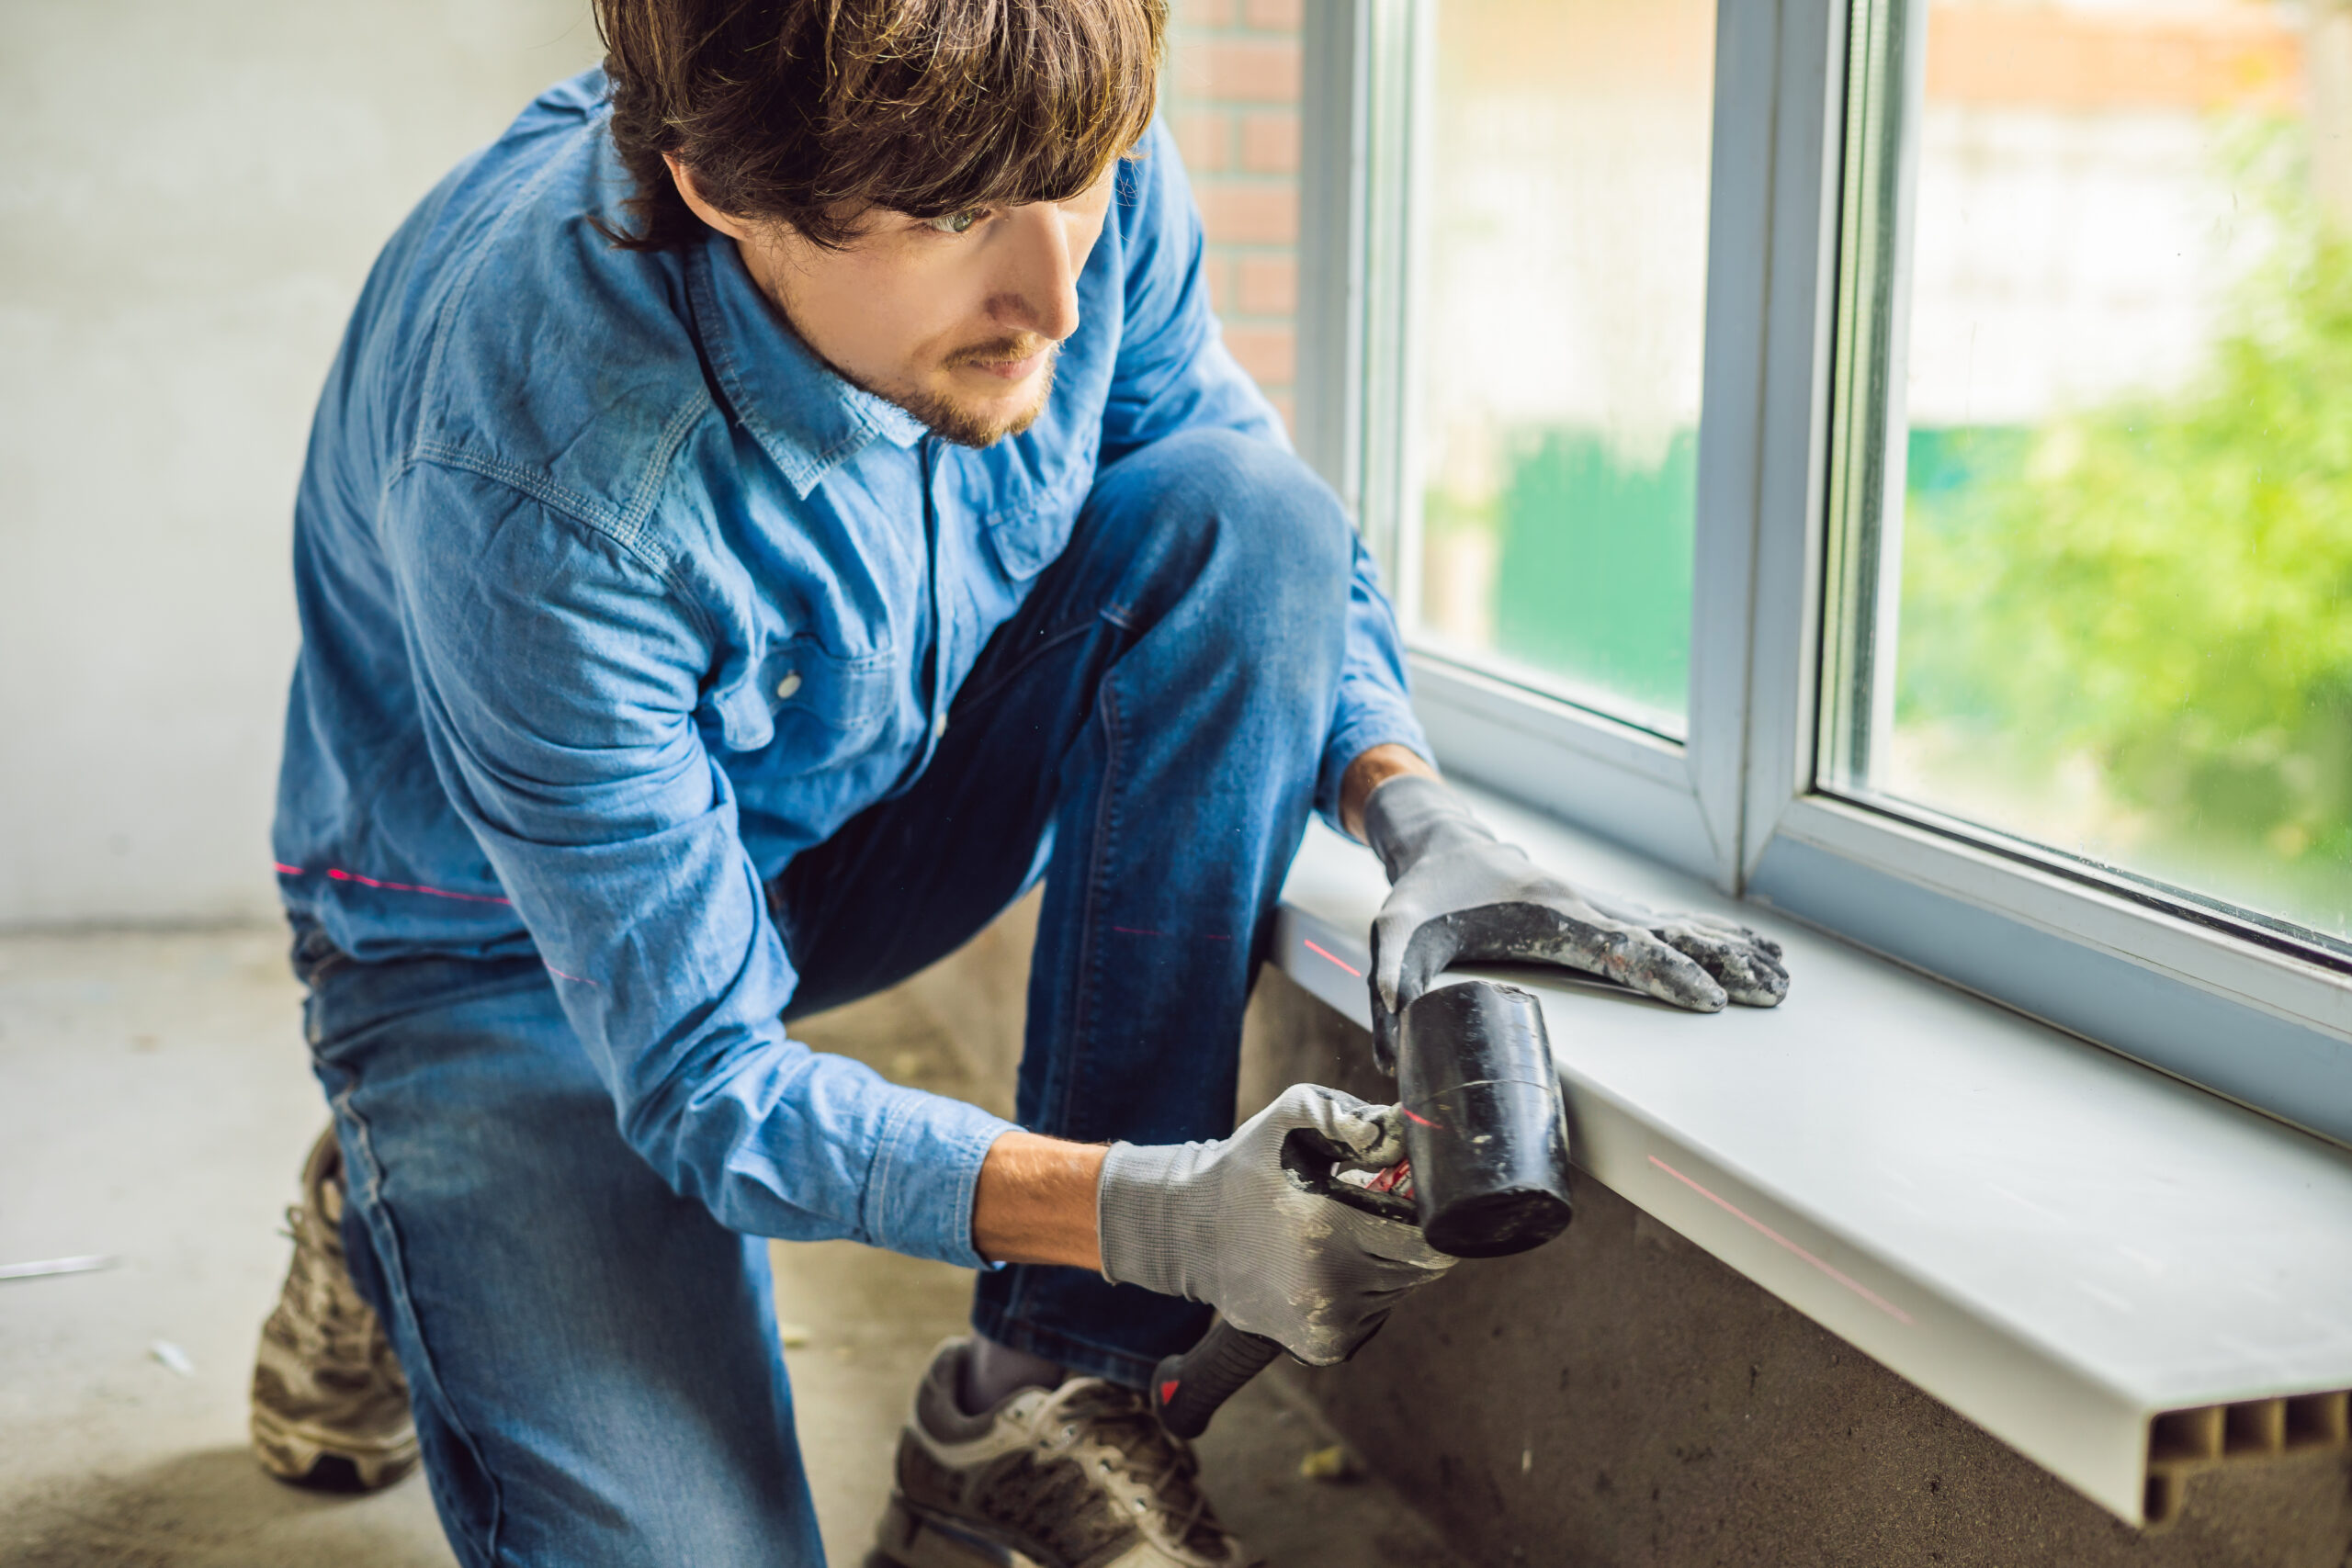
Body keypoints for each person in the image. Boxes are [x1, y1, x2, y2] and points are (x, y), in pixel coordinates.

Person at [245, 1, 1790, 1562]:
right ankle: (404, 1201)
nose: (1053, 291)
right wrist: (1169, 1206)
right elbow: (709, 1087)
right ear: (719, 188)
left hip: (839, 818)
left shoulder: (1043, 132)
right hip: (499, 950)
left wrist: (1413, 813)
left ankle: (1040, 1393)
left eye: (1089, 182)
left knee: (1243, 519)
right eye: (951, 218)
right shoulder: (534, 477)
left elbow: (1222, 486)